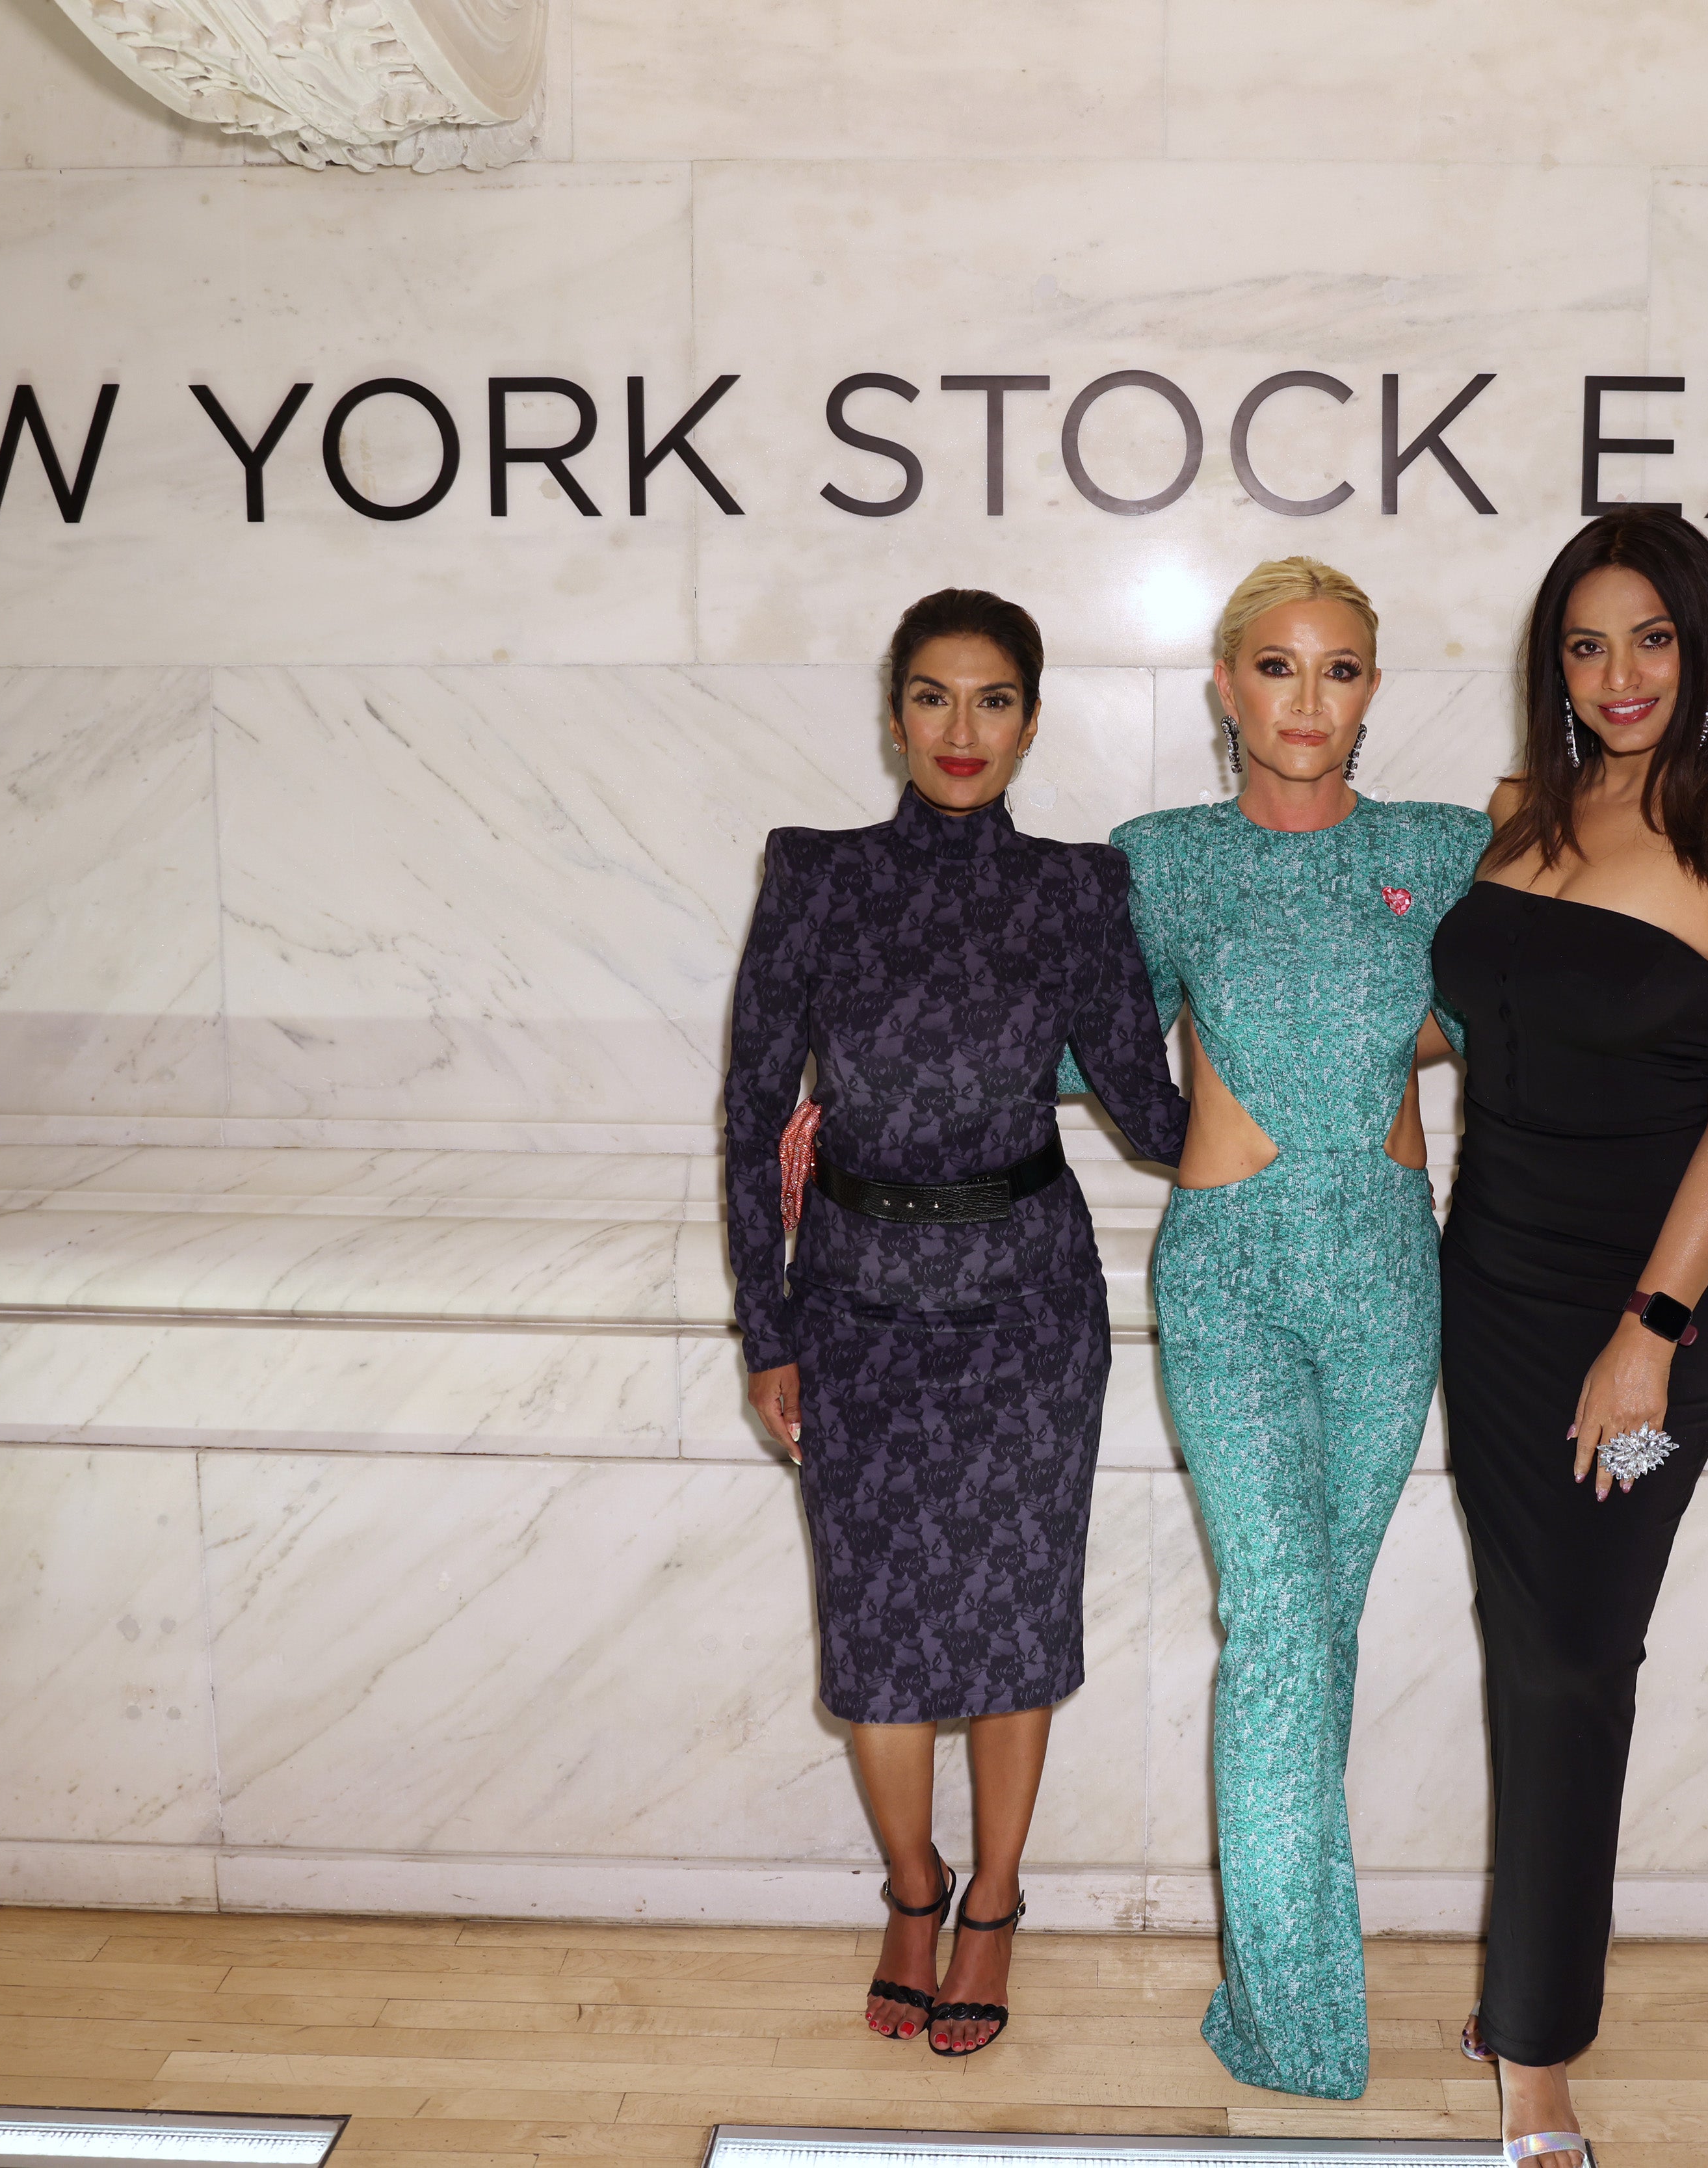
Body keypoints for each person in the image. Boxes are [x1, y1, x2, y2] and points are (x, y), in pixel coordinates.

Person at [724, 588, 1189, 2058]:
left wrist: (1344, 1041)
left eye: (994, 700)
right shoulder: (814, 874)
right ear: (893, 713)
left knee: (1007, 1619)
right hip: (854, 1301)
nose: (962, 729)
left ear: (1033, 719)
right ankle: (909, 1888)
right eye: (933, 697)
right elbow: (749, 1119)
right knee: (875, 1638)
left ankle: (990, 1901)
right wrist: (768, 1331)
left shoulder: (1076, 889)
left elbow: (1149, 1105)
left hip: (1027, 1304)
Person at [1431, 510, 1708, 2163]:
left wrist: (1648, 1332)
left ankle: (1536, 2055)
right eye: (1587, 645)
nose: (1619, 676)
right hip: (1492, 1289)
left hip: (1659, 1316)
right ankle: (1523, 1986)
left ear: (1704, 651)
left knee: (1578, 1655)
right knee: (1527, 1642)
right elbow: (1448, 1019)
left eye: (1651, 640)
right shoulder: (1519, 816)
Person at [1096, 558, 1488, 2098]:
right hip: (1233, 1269)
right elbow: (1070, 1039)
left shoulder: (1446, 849)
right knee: (1273, 1630)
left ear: (1372, 689)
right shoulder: (1161, 859)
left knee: (1314, 1629)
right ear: (1224, 686)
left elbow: (1525, 998)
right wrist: (847, 1090)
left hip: (1393, 1265)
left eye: (1338, 669)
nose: (1304, 700)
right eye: (1275, 667)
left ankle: (1282, 1988)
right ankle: (1302, 2021)